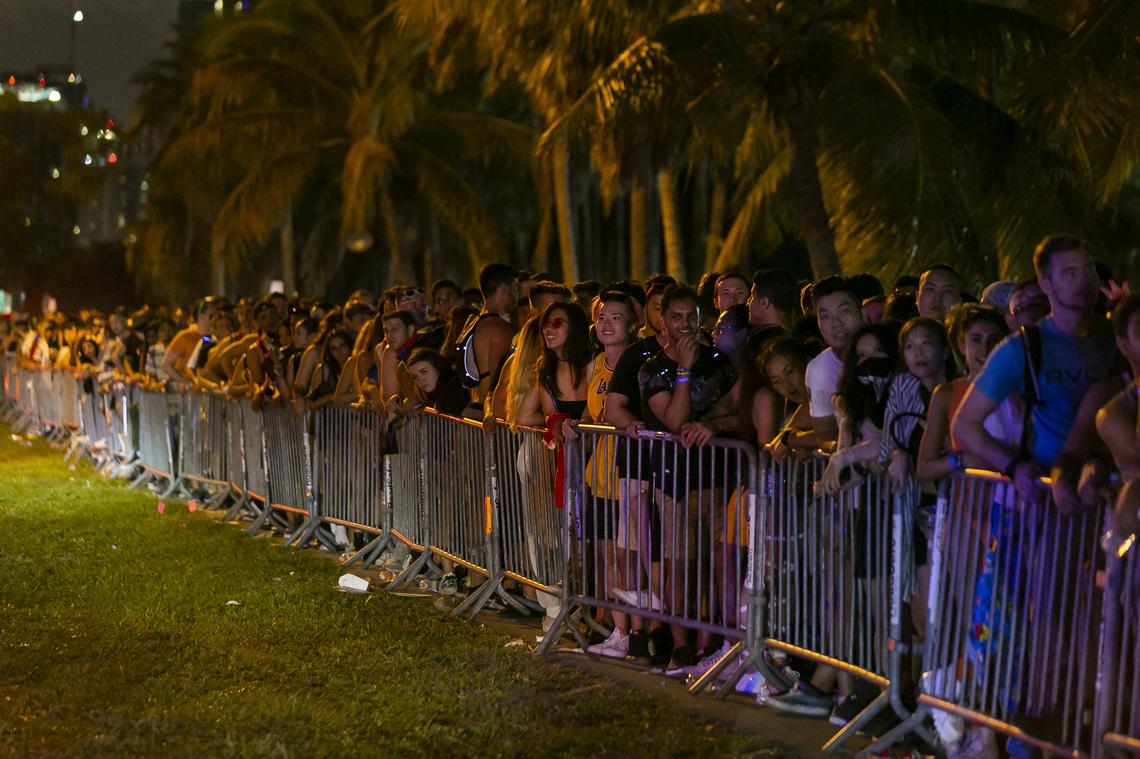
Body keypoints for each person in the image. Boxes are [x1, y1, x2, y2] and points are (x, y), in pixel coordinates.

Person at [952, 235, 1118, 504]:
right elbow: (965, 423)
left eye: (1089, 269)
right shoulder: (1022, 348)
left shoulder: (1116, 336)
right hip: (1050, 491)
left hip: (1112, 488)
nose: (1084, 280)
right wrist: (1013, 466)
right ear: (1046, 283)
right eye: (1070, 273)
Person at [638, 284, 740, 672]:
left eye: (690, 317)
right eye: (675, 316)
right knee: (680, 568)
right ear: (662, 321)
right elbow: (676, 420)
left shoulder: (719, 363)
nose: (683, 325)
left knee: (716, 565)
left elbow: (739, 414)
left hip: (717, 478)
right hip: (673, 481)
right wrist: (683, 369)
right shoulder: (652, 369)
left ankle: (708, 644)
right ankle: (680, 645)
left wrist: (712, 424)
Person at [805, 276, 866, 448]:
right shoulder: (819, 368)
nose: (836, 323)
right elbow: (824, 430)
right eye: (825, 316)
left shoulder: (889, 353)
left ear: (862, 314)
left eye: (844, 311)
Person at [464, 263, 519, 403]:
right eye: (516, 289)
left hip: (477, 404)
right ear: (504, 289)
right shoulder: (499, 328)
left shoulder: (474, 323)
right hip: (493, 412)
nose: (517, 296)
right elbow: (501, 378)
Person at [406, 347, 470, 416]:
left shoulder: (457, 391)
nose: (420, 379)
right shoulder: (430, 398)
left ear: (437, 367)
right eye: (415, 377)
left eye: (424, 372)